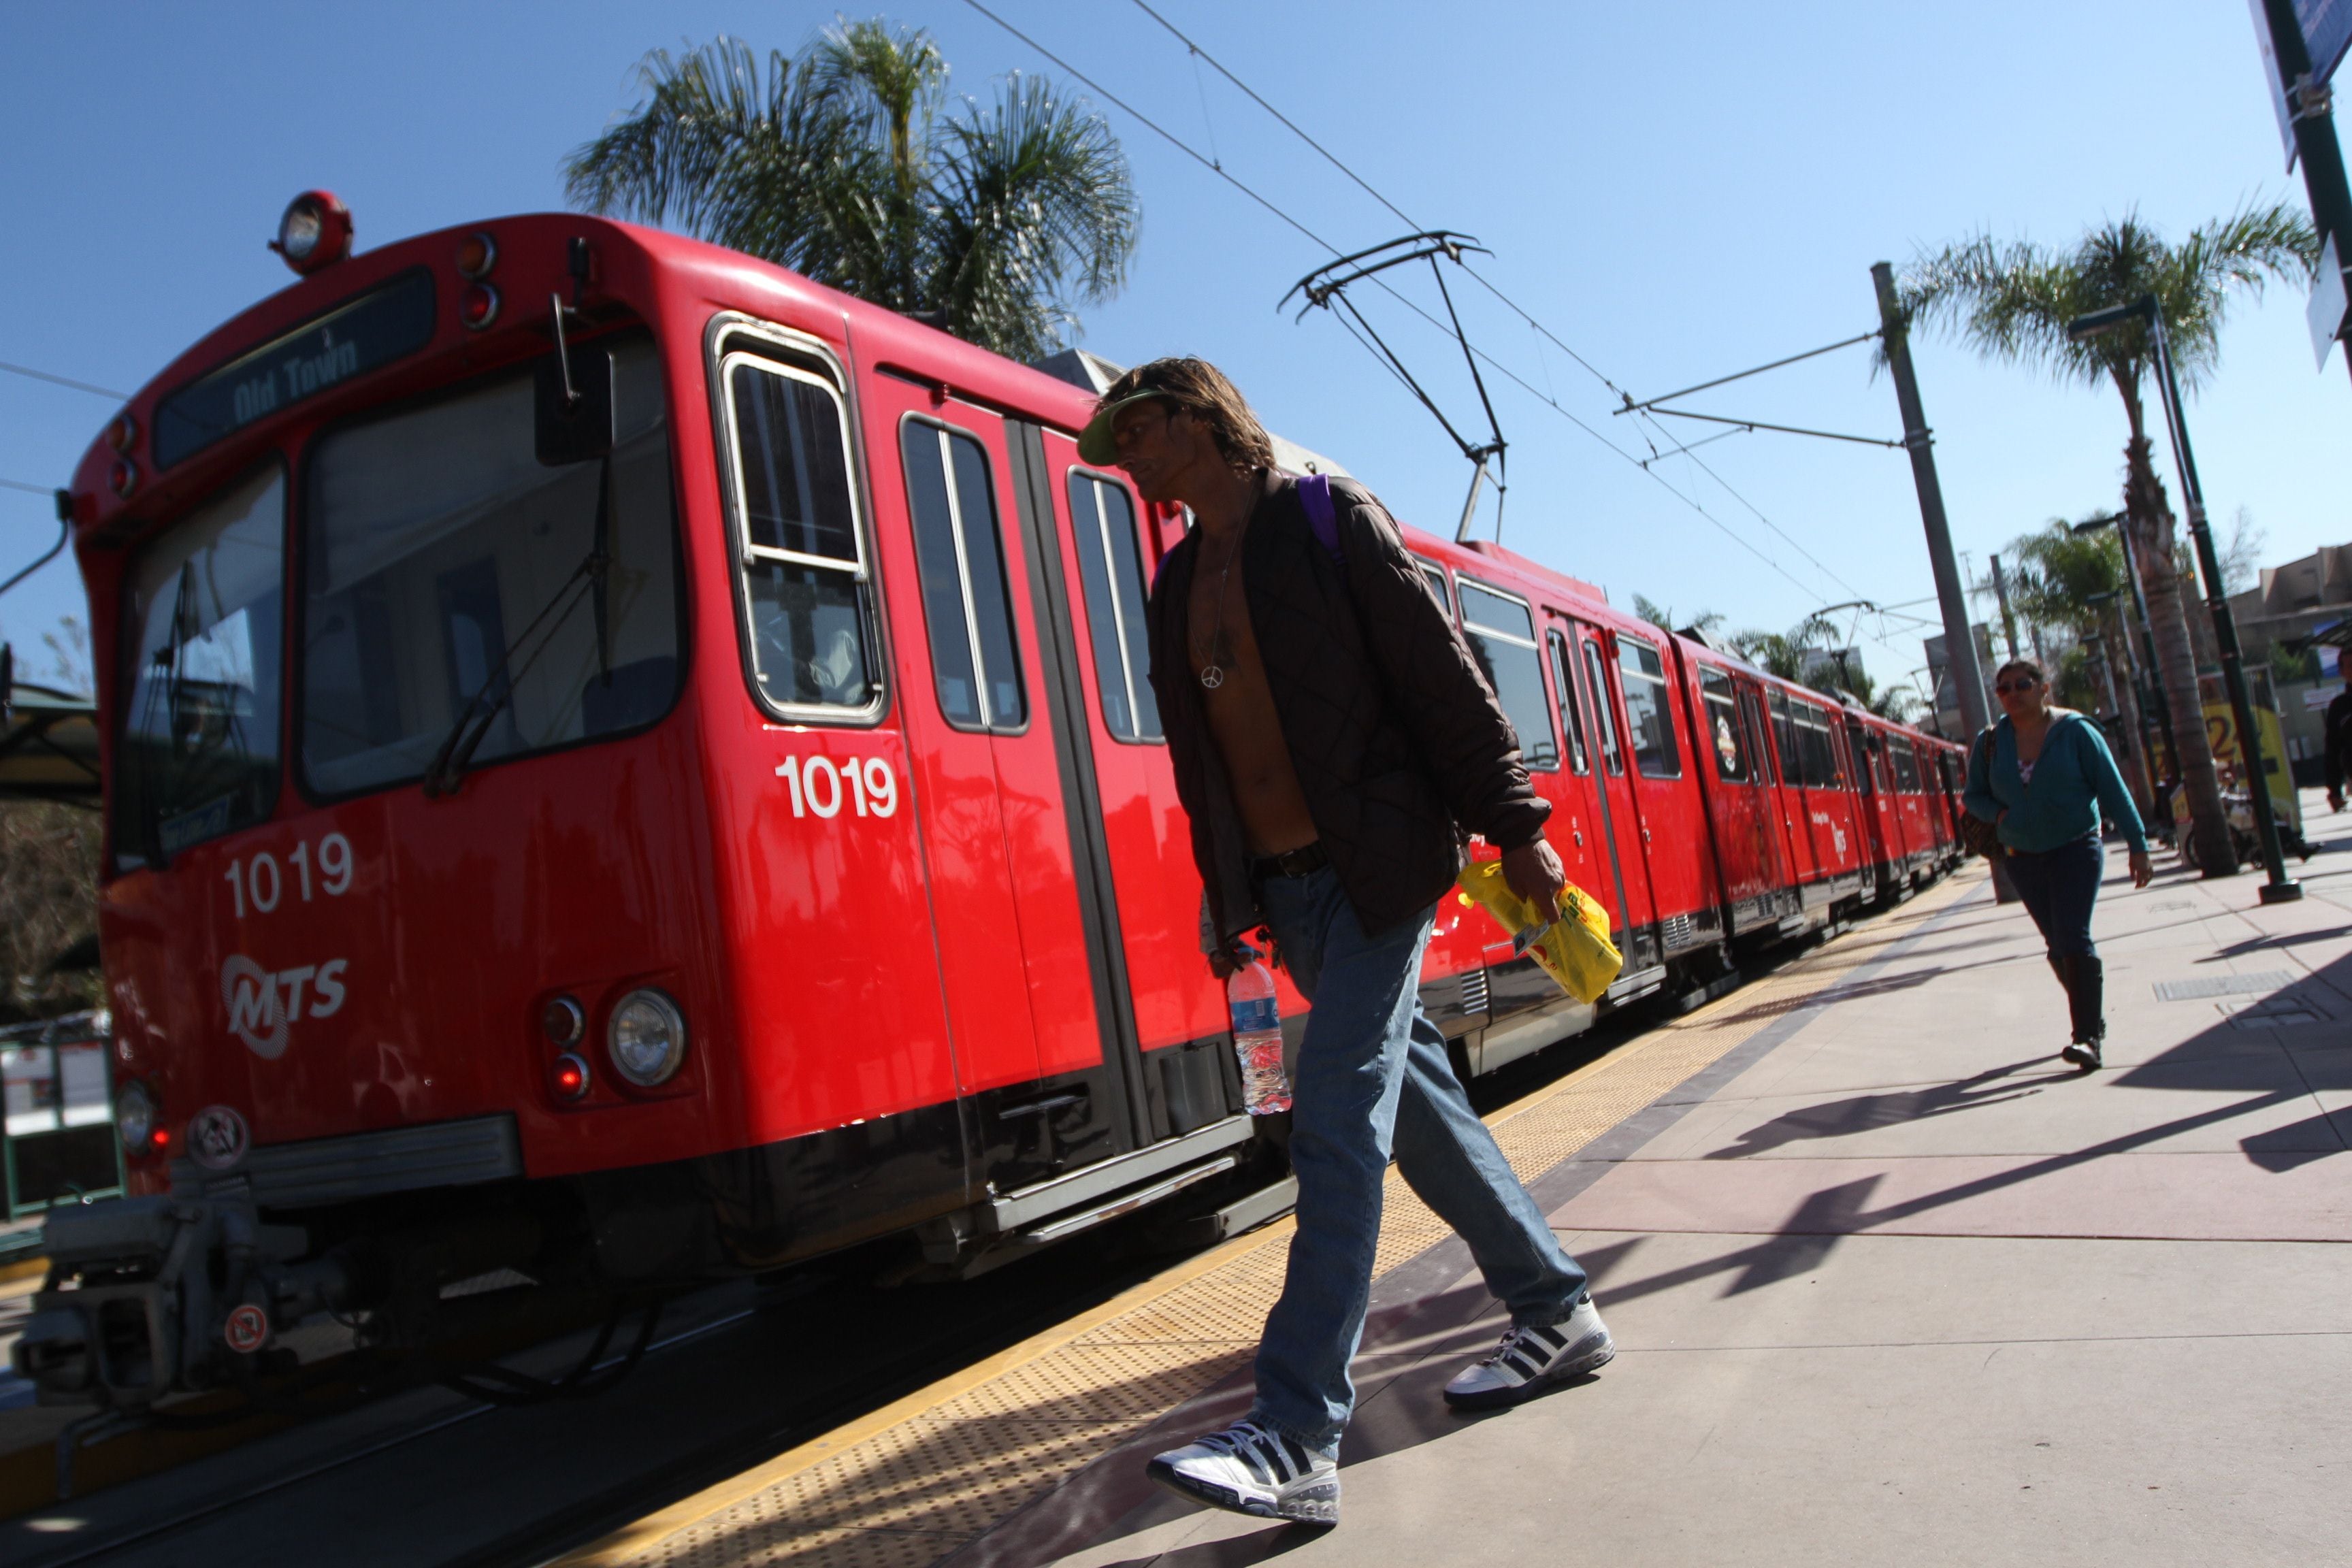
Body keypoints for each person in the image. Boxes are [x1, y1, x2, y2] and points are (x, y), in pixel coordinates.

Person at [1081, 359, 1606, 1528]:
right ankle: (1556, 1307)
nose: (1124, 454)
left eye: (1138, 431)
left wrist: (1518, 828)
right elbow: (1202, 757)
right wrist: (1229, 893)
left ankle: (1294, 1428)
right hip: (1292, 890)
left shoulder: (1324, 517)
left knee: (1334, 1125)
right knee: (1419, 1110)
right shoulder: (1175, 585)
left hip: (1383, 867)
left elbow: (1441, 679)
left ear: (1199, 419)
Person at [1963, 659, 2153, 1071]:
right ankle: (2089, 1010)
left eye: (2022, 685)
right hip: (2022, 857)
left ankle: (2087, 1038)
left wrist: (2138, 844)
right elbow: (1972, 796)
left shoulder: (2076, 732)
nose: (2013, 693)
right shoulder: (1991, 741)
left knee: (2072, 934)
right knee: (2056, 943)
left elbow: (2112, 789)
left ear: (2043, 688)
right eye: (2004, 688)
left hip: (2076, 846)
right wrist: (1999, 817)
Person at [2322, 660, 2352, 813]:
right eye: (2351, 664)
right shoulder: (2340, 706)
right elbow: (2332, 749)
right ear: (2342, 672)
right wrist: (2334, 790)